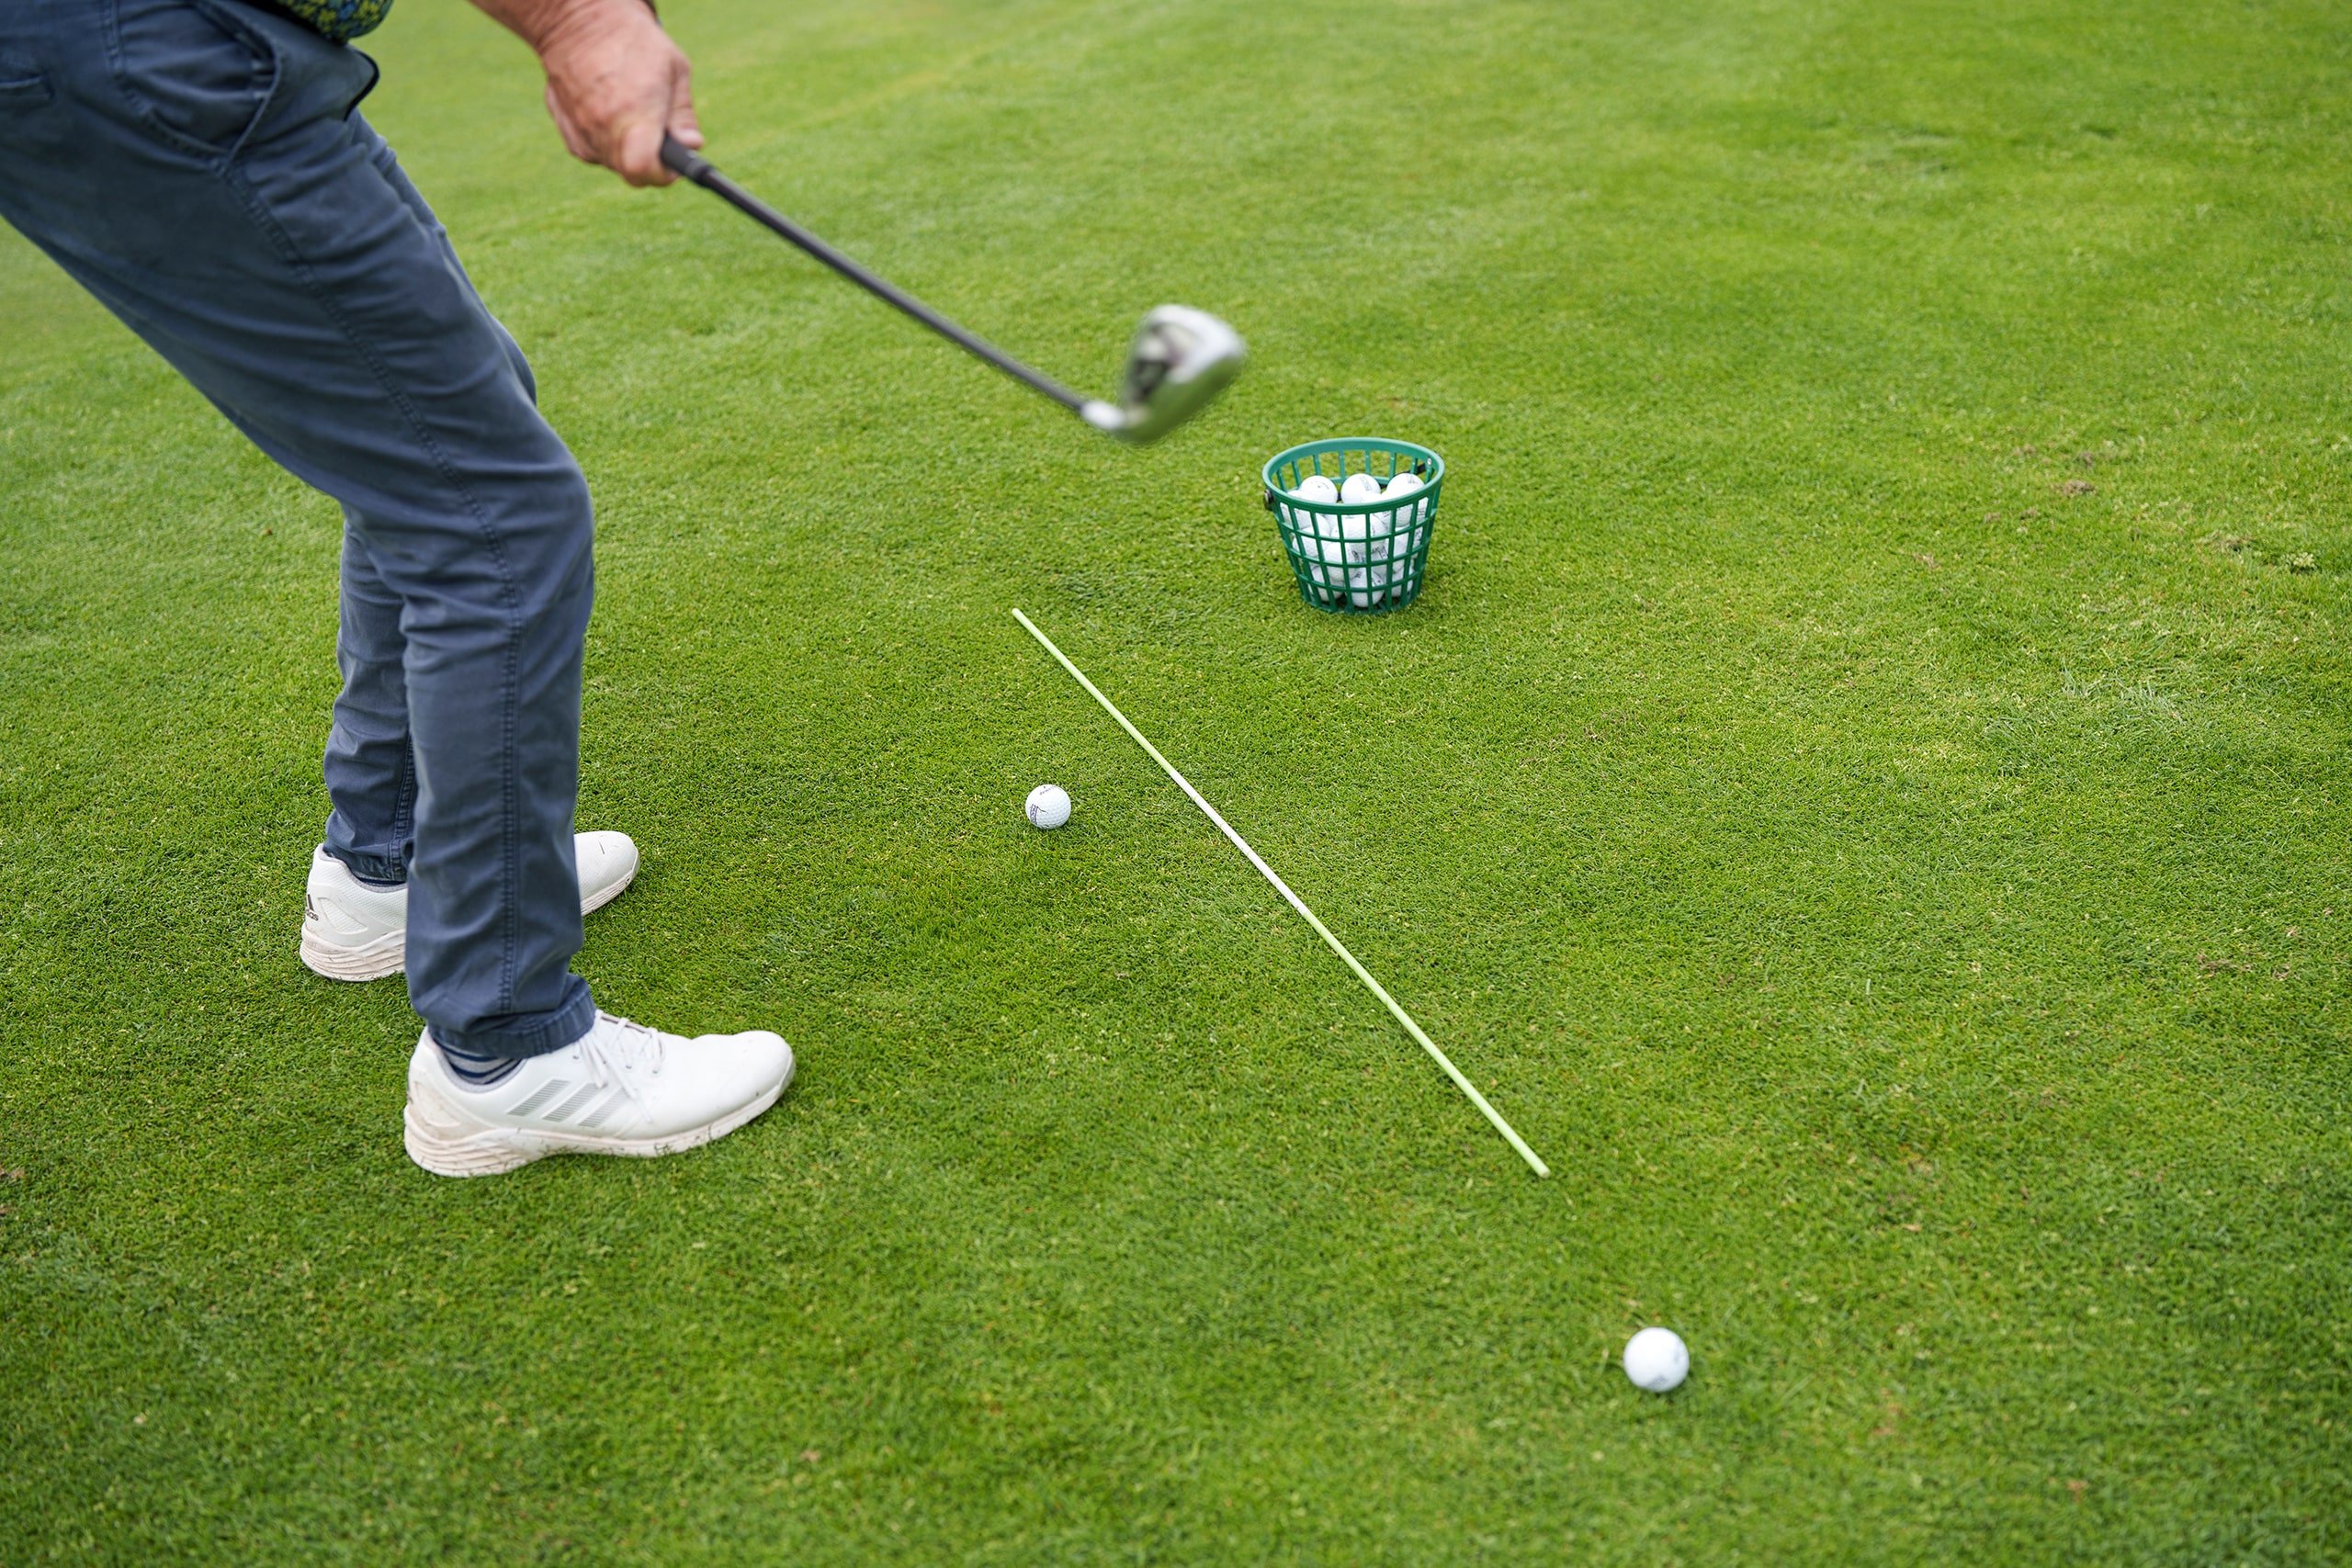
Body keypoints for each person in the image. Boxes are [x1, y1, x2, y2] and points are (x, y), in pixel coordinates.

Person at [0, 0, 793, 1177]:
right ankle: (508, 1046)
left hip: (151, 38)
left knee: (446, 440)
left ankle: (390, 867)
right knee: (492, 511)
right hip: (129, 41)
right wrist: (579, 20)